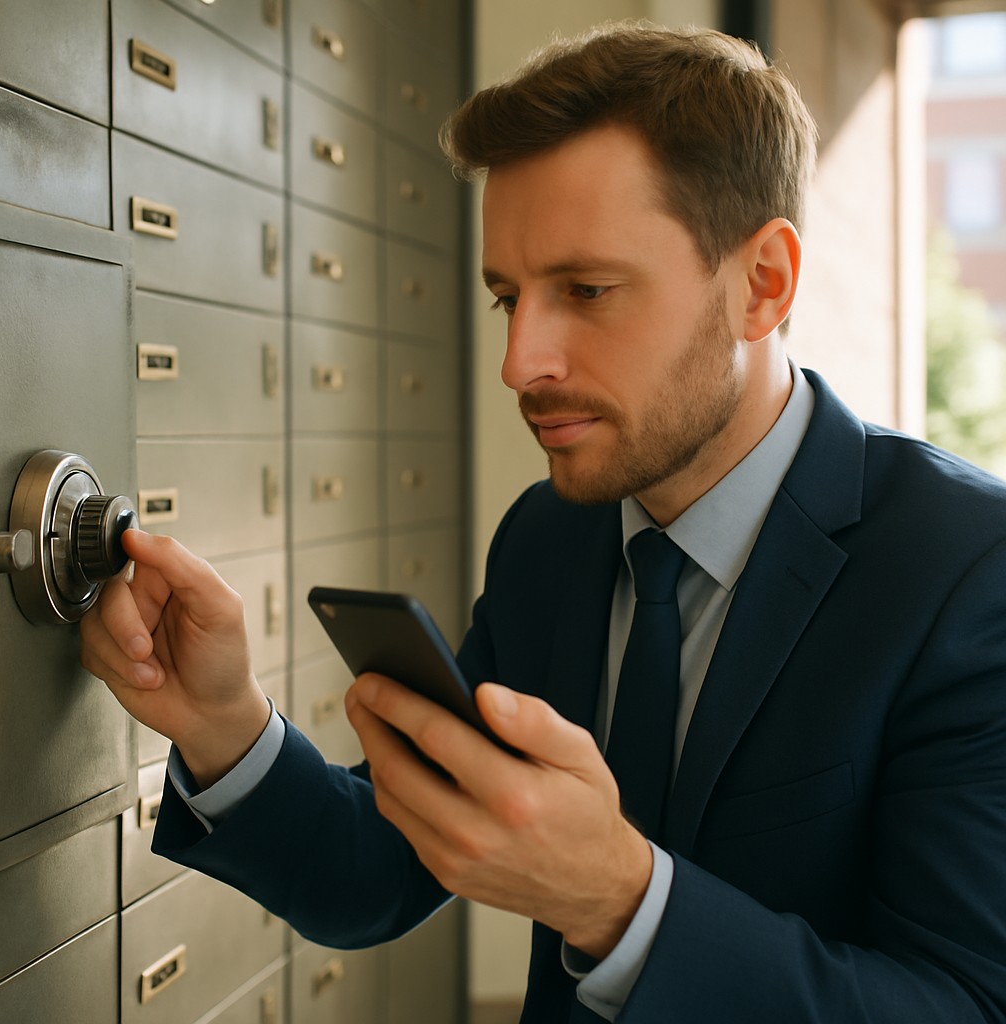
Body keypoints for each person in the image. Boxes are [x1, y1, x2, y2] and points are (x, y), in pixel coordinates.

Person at [80, 22, 1006, 1023]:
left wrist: (616, 903)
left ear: (762, 283)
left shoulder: (967, 573)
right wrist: (221, 721)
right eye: (507, 299)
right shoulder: (548, 539)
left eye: (586, 291)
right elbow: (377, 874)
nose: (522, 364)